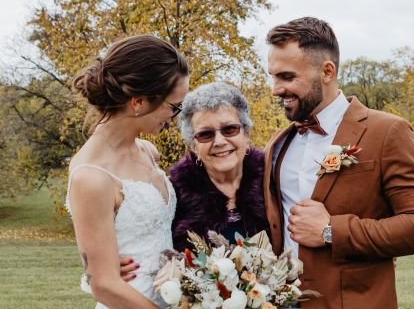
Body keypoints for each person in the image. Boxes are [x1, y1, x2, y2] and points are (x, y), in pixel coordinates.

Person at [263, 17, 414, 308]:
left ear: (327, 71)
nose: (275, 89)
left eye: (287, 77)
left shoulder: (388, 132)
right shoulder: (277, 144)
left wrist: (331, 231)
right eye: (273, 76)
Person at [66, 34, 189, 309]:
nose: (175, 116)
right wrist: (96, 270)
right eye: (174, 106)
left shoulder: (147, 151)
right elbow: (104, 285)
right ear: (139, 102)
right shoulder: (92, 175)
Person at [169, 82, 268, 251]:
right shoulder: (174, 196)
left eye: (229, 129)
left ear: (246, 135)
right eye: (205, 134)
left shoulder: (272, 180)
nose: (220, 141)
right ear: (194, 146)